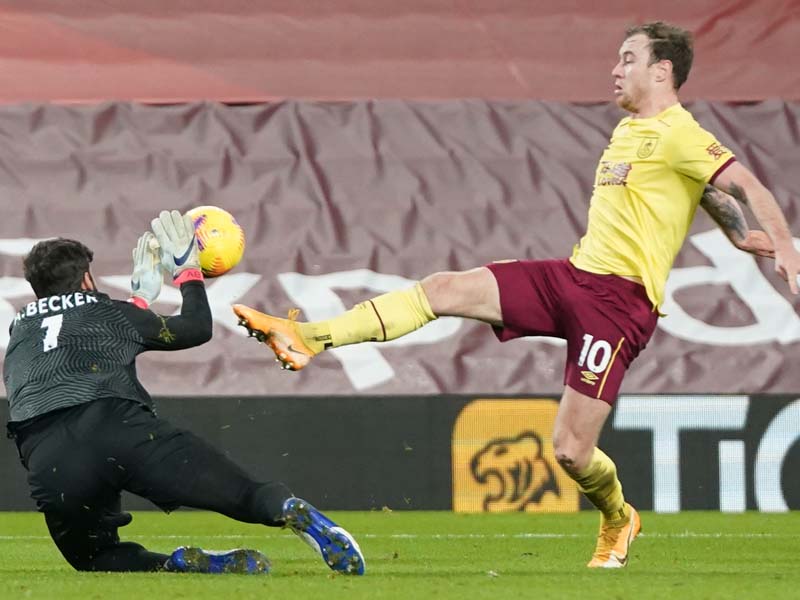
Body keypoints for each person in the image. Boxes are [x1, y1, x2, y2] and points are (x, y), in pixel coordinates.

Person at [232, 21, 800, 569]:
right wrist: (736, 233)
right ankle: (307, 335)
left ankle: (618, 514)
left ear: (662, 70)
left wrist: (785, 247)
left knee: (571, 452)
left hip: (617, 306)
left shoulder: (682, 132)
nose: (614, 69)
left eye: (628, 59)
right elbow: (708, 192)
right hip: (571, 277)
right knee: (443, 288)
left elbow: (743, 184)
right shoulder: (631, 131)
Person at [3, 210, 365, 575]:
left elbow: (77, 338)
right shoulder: (112, 313)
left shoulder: (19, 329)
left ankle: (179, 565)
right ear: (86, 278)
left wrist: (139, 302)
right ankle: (286, 509)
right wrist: (187, 272)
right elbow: (194, 328)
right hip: (121, 430)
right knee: (245, 495)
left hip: (50, 455)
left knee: (94, 557)